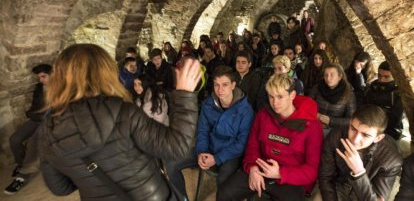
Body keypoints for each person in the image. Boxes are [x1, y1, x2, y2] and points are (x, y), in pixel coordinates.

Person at [38, 43, 201, 201]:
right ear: (105, 72)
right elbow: (176, 147)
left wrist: (87, 177)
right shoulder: (124, 112)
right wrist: (184, 94)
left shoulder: (48, 129)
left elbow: (59, 188)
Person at [217, 74, 323, 201]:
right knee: (224, 193)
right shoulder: (263, 114)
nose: (275, 103)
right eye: (271, 97)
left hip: (291, 179)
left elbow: (312, 170)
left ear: (292, 95)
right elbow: (252, 146)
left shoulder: (311, 126)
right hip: (261, 169)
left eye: (280, 97)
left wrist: (280, 173)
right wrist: (253, 168)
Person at [166, 65, 254, 200]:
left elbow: (241, 144)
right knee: (172, 164)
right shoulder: (208, 104)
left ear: (233, 85)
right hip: (209, 148)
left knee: (224, 179)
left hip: (230, 153)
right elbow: (202, 131)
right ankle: (182, 198)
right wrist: (201, 151)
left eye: (225, 85)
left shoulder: (245, 110)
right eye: (216, 85)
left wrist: (216, 158)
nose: (220, 90)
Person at [319, 105, 403, 201]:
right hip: (338, 186)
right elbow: (325, 177)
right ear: (350, 123)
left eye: (365, 135)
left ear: (378, 138)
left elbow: (375, 198)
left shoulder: (391, 161)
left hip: (365, 191)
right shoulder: (336, 136)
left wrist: (359, 172)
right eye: (353, 129)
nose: (355, 139)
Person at [4, 64, 52, 195]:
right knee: (14, 139)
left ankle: (22, 176)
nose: (41, 80)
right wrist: (32, 114)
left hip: (51, 122)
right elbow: (35, 107)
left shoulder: (63, 88)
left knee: (33, 144)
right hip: (37, 119)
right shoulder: (39, 87)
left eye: (43, 76)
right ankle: (21, 164)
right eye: (39, 77)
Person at [310, 63, 357, 134]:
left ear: (340, 76)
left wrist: (331, 121)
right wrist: (316, 115)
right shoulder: (317, 87)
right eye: (326, 75)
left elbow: (351, 119)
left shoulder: (348, 94)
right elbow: (307, 105)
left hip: (334, 129)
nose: (328, 78)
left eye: (332, 75)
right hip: (314, 122)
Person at [364, 61, 404, 140]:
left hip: (388, 130)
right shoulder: (373, 86)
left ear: (394, 77)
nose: (381, 79)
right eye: (379, 75)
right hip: (369, 123)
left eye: (386, 77)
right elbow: (365, 104)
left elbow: (394, 120)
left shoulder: (397, 93)